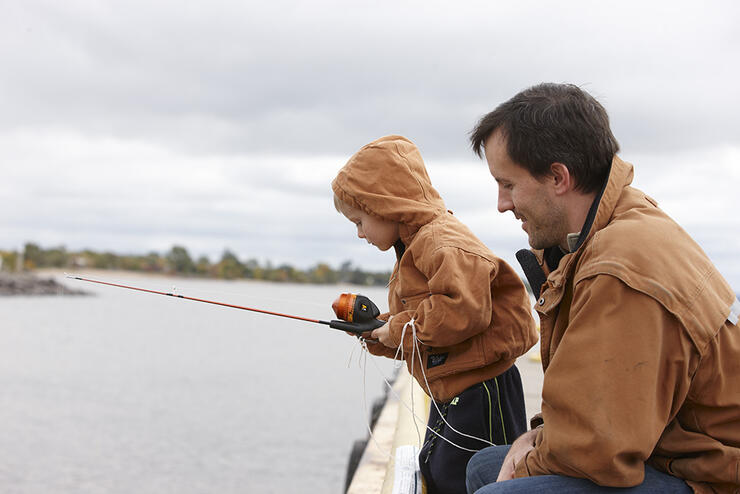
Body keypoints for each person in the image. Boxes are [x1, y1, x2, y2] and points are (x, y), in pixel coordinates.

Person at [465, 83, 740, 494]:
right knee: (484, 465)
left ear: (558, 177)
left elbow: (597, 445)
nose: (502, 203)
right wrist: (533, 437)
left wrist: (525, 466)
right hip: (668, 447)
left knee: (498, 490)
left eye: (508, 184)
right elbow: (593, 395)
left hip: (711, 474)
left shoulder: (622, 264)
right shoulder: (602, 230)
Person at [332, 135, 539, 494]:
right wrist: (378, 332)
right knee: (437, 471)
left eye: (360, 220)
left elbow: (461, 311)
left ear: (387, 205)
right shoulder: (411, 248)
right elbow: (421, 323)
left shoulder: (440, 242)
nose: (360, 233)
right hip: (452, 389)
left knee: (469, 479)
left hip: (482, 388)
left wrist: (395, 330)